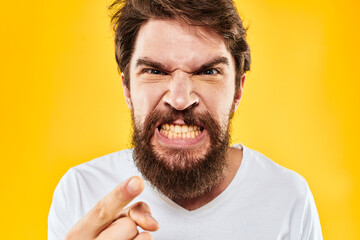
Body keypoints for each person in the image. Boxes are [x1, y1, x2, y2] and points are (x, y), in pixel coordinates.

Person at [48, 0, 323, 239]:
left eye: (208, 72)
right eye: (155, 71)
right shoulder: (80, 193)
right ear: (127, 89)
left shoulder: (288, 197)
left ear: (238, 90)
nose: (180, 99)